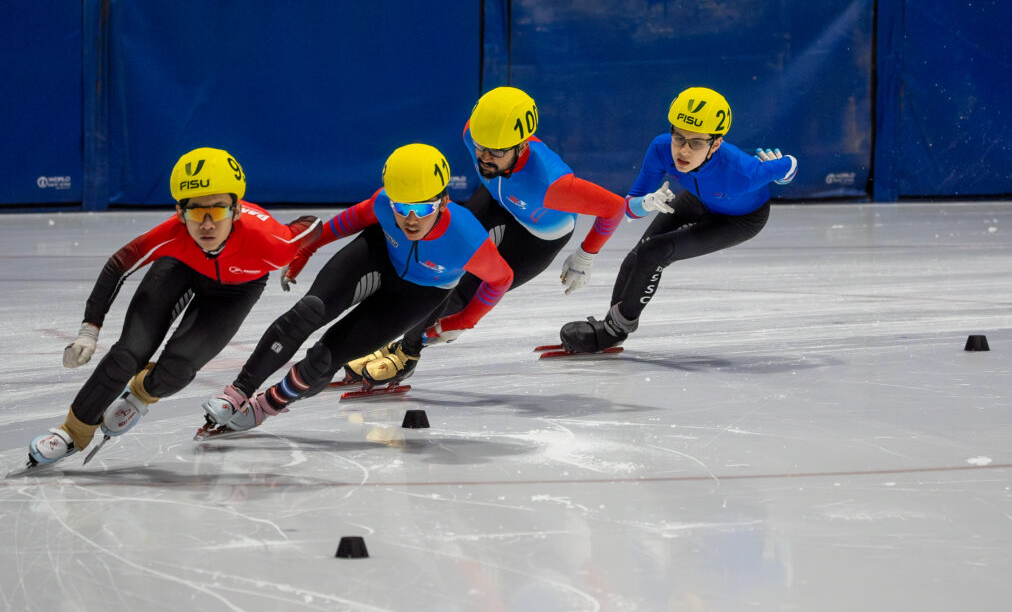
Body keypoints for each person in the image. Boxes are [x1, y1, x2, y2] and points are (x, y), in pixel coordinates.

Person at [281, 86, 669, 386]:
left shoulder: (554, 184)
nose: (483, 158)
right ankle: (377, 328)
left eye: (496, 153)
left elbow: (614, 208)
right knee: (433, 264)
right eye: (480, 148)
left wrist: (586, 255)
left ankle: (406, 352)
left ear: (521, 146)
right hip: (497, 199)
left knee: (461, 289)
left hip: (534, 234)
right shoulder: (474, 134)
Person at [26, 147, 322, 466]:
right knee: (125, 356)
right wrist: (89, 330)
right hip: (177, 267)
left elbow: (312, 226)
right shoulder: (172, 235)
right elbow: (118, 265)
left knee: (176, 371)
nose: (207, 224)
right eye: (196, 212)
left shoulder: (272, 244)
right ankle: (73, 431)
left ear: (236, 211)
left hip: (235, 291)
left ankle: (141, 393)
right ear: (180, 213)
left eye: (218, 211)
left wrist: (300, 247)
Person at [200, 143, 513, 433]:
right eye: (402, 209)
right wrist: (307, 248)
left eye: (423, 209)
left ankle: (268, 404)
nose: (411, 220)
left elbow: (501, 279)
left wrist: (463, 321)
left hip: (419, 292)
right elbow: (349, 220)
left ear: (444, 201)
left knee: (324, 359)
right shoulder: (383, 203)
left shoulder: (467, 240)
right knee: (308, 311)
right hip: (377, 256)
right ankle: (237, 392)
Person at [558, 86, 798, 352]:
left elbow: (790, 163)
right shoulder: (661, 148)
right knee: (636, 257)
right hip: (696, 199)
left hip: (740, 219)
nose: (683, 150)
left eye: (696, 142)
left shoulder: (744, 172)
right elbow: (628, 207)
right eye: (679, 138)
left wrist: (783, 173)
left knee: (654, 251)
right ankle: (612, 327)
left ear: (716, 143)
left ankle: (614, 330)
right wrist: (645, 203)